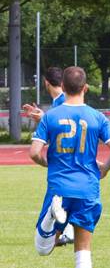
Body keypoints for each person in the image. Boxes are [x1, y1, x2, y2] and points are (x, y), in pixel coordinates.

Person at [30, 66, 110, 268]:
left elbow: (34, 152)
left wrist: (50, 164)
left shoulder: (51, 116)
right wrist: (104, 168)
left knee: (42, 249)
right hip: (88, 190)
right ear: (85, 88)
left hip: (59, 188)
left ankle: (52, 216)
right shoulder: (97, 117)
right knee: (83, 249)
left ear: (63, 86)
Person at [24, 67, 74, 246]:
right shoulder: (61, 102)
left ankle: (60, 233)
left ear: (46, 82)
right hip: (69, 162)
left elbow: (63, 125)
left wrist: (44, 120)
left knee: (55, 202)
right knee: (68, 198)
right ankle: (65, 231)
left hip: (62, 163)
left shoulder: (61, 102)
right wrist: (43, 118)